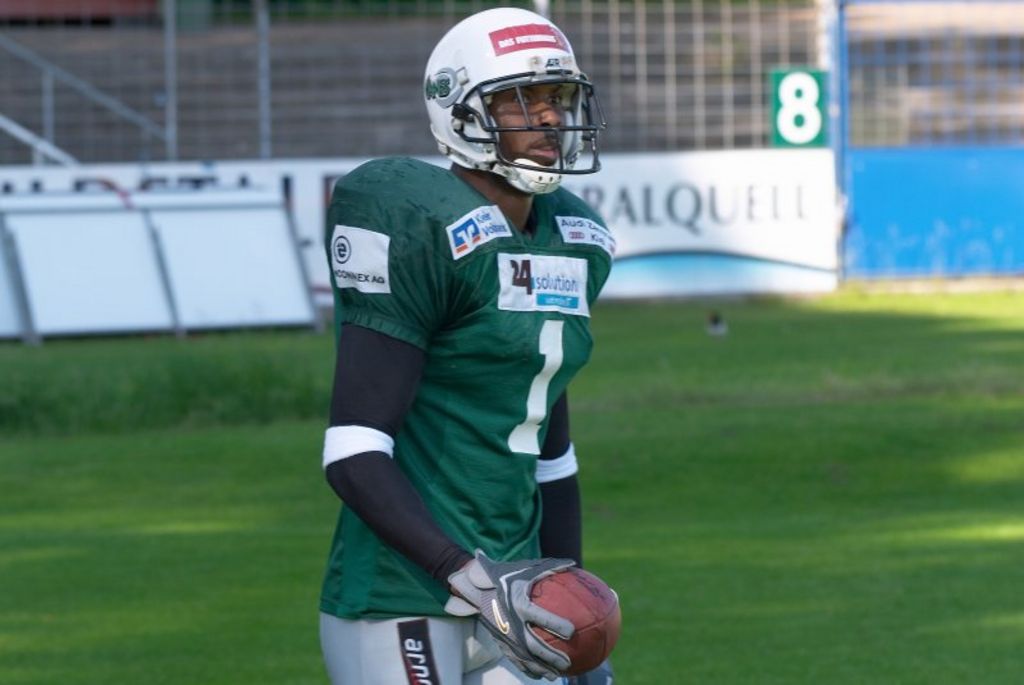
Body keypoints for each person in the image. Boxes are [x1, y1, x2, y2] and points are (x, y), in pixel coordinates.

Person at [318, 7, 616, 684]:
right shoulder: (416, 220)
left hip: (517, 592)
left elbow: (552, 451)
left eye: (558, 98)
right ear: (461, 112)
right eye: (522, 100)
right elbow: (353, 451)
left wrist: (566, 591)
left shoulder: (573, 238)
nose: (549, 118)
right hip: (402, 593)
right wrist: (466, 575)